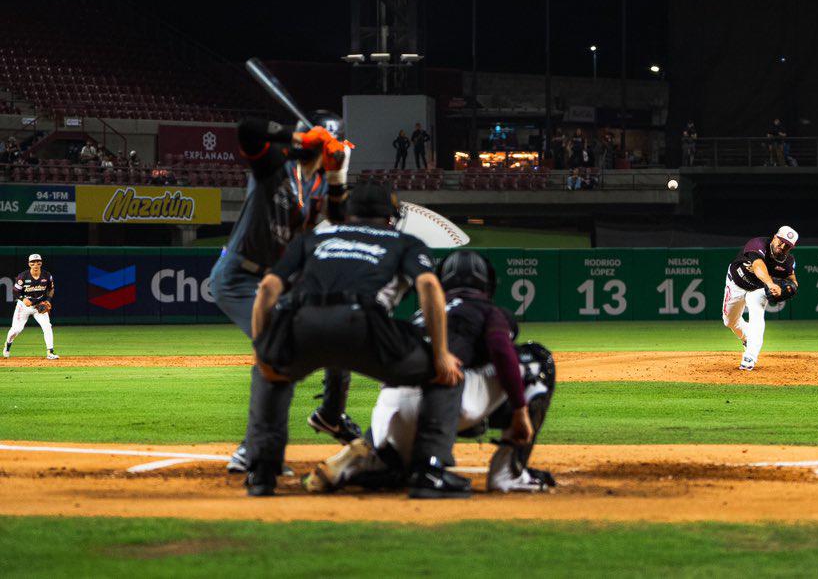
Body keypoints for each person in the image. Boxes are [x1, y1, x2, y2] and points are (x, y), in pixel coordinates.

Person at [247, 181, 467, 498]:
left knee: (271, 374)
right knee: (444, 375)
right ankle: (428, 471)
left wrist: (263, 350)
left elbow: (267, 289)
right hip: (364, 328)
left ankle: (261, 473)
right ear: (391, 216)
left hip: (303, 325)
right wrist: (442, 354)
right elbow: (430, 288)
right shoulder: (404, 241)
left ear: (348, 213)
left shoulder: (313, 238)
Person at [304, 250, 557, 495]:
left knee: (398, 473)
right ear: (489, 284)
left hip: (389, 414)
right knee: (536, 358)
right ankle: (508, 473)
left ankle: (366, 458)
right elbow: (502, 352)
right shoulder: (489, 311)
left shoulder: (423, 313)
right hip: (441, 402)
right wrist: (519, 410)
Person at [209, 111, 361, 476]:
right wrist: (298, 137)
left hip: (280, 282)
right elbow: (247, 126)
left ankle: (331, 414)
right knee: (276, 349)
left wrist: (339, 177)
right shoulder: (275, 166)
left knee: (339, 326)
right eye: (330, 151)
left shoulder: (321, 185)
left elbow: (339, 221)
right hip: (238, 279)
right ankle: (253, 450)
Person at [722, 226, 799, 371]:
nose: (783, 246)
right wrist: (770, 283)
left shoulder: (787, 261)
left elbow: (793, 281)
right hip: (736, 283)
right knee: (729, 321)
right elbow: (758, 266)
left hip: (757, 289)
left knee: (757, 315)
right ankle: (747, 338)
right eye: (781, 241)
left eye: (788, 245)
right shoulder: (757, 244)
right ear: (775, 237)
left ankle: (750, 357)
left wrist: (787, 289)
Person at [4, 254, 58, 360]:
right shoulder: (23, 276)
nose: (36, 264)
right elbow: (15, 292)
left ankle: (50, 352)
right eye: (33, 262)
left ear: (41, 263)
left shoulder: (47, 275)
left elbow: (51, 289)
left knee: (47, 326)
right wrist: (22, 298)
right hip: (23, 307)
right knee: (16, 329)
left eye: (38, 262)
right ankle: (8, 344)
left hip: (39, 307)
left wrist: (47, 300)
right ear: (29, 264)